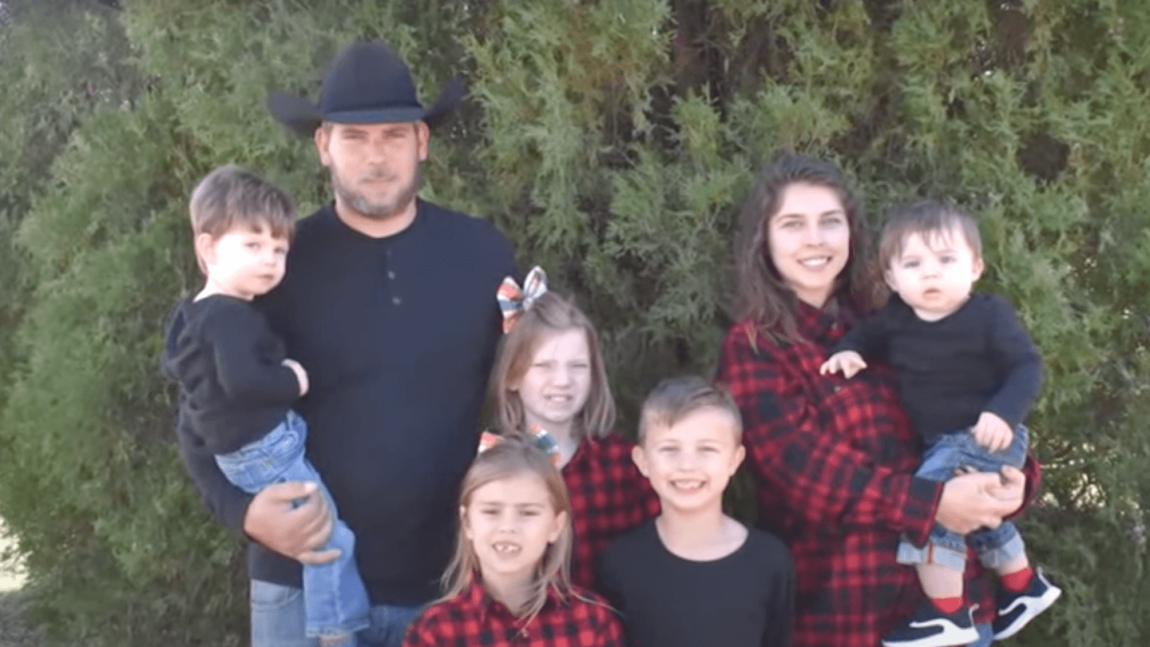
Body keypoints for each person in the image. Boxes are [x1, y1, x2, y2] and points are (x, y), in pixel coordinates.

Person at [174, 41, 517, 647]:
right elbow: (199, 413)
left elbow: (528, 388)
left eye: (394, 135)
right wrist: (242, 513)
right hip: (300, 578)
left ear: (422, 141)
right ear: (323, 146)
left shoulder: (482, 254)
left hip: (445, 587)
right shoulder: (276, 268)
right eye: (354, 138)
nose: (376, 156)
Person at [715, 152, 1041, 647]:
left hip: (957, 613)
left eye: (831, 221)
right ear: (764, 240)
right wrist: (932, 505)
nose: (815, 239)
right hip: (846, 613)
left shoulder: (900, 320)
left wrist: (1013, 483)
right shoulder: (755, 347)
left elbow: (964, 414)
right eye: (793, 224)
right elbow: (805, 474)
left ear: (852, 232)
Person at [820, 201, 1060, 646]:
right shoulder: (897, 318)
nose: (930, 273)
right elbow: (866, 335)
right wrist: (849, 351)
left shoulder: (988, 316)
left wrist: (1002, 413)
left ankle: (946, 612)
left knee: (928, 508)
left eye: (946, 260)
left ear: (975, 267)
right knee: (977, 512)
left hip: (984, 434)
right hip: (941, 442)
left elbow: (1027, 366)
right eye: (913, 264)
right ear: (892, 278)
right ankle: (1022, 584)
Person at [164, 166, 371, 646]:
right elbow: (244, 383)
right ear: (208, 249)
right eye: (253, 245)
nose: (269, 261)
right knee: (330, 539)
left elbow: (196, 394)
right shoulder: (230, 317)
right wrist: (292, 379)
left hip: (246, 452)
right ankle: (335, 631)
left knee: (324, 535)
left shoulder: (193, 314)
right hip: (264, 454)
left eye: (278, 250)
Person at [491, 267, 660, 590]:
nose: (563, 381)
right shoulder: (491, 468)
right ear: (513, 376)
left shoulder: (625, 466)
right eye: (544, 366)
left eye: (578, 366)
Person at [596, 376, 795, 647]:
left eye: (706, 449)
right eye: (670, 449)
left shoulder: (770, 561)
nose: (687, 465)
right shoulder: (620, 562)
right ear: (642, 461)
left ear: (735, 460)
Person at [401, 435, 625, 646]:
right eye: (491, 511)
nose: (508, 527)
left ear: (555, 526)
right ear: (467, 522)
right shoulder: (435, 630)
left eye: (527, 513)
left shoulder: (592, 621)